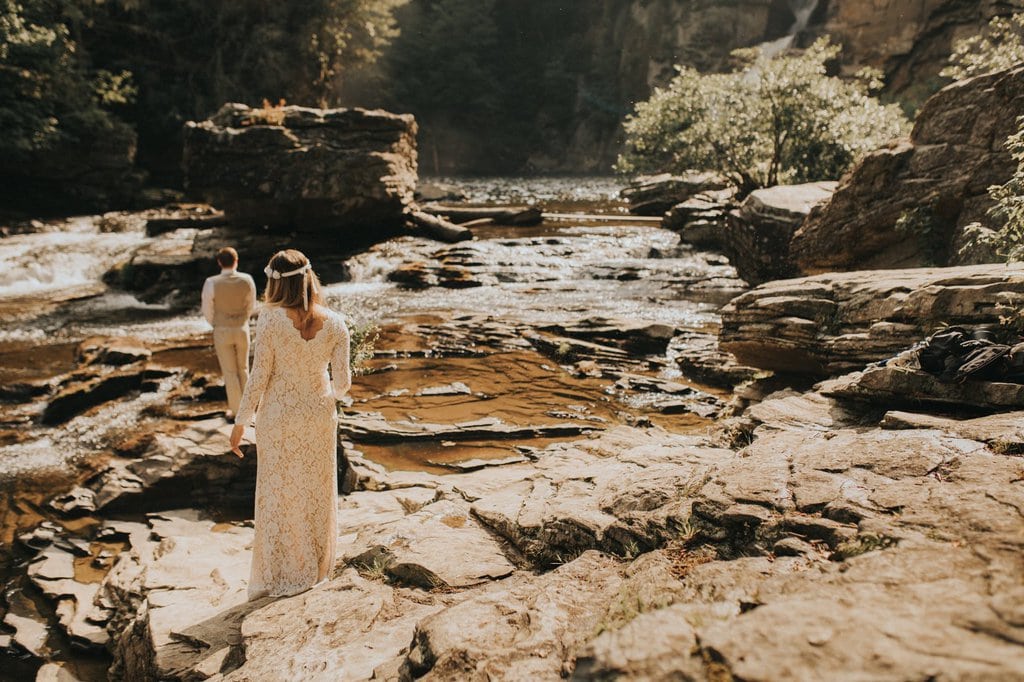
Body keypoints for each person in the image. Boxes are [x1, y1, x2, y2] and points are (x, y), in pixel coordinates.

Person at [229, 249, 351, 600]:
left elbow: (259, 377)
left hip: (279, 416)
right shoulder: (337, 324)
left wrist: (241, 423)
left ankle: (280, 573)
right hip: (318, 414)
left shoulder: (269, 320)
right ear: (309, 278)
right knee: (315, 490)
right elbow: (342, 384)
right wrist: (321, 391)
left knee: (278, 493)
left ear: (275, 283)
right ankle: (314, 566)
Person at [201, 247, 257, 416]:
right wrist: (242, 320)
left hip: (222, 329)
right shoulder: (247, 280)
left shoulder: (211, 282)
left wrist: (216, 323)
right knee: (244, 369)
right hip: (242, 328)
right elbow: (251, 305)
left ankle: (236, 412)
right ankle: (249, 410)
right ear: (236, 260)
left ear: (219, 262)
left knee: (230, 372)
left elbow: (207, 308)